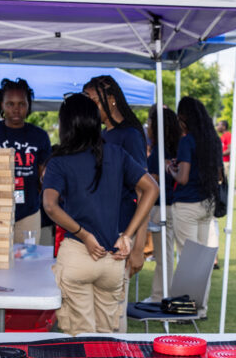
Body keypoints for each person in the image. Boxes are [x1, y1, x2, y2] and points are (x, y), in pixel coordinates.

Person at [42, 94, 158, 336]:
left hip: (79, 254)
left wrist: (83, 234)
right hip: (112, 258)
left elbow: (50, 206)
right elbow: (152, 189)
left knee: (80, 339)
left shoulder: (59, 161)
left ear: (66, 124)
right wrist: (127, 235)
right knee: (107, 340)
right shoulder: (116, 154)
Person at [83, 75, 150, 330]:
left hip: (120, 236)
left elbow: (144, 192)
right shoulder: (101, 135)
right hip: (98, 236)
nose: (88, 106)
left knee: (113, 318)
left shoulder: (129, 136)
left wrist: (138, 244)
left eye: (91, 100)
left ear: (110, 99)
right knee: (96, 316)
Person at [0, 78, 52, 244]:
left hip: (29, 212)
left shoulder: (39, 136)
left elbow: (44, 175)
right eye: (10, 104)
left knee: (27, 262)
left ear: (28, 105)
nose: (16, 109)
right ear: (1, 105)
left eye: (21, 104)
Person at [169, 96, 223, 318]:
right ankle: (201, 308)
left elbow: (181, 178)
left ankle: (187, 309)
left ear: (184, 117)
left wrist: (170, 169)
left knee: (188, 259)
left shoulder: (187, 141)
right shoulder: (214, 140)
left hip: (187, 205)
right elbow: (219, 174)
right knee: (202, 260)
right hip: (207, 203)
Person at [145, 105, 180, 302]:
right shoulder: (176, 146)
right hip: (174, 205)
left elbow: (154, 182)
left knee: (163, 256)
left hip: (162, 207)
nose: (147, 127)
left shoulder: (159, 150)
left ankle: (160, 296)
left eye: (150, 123)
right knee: (166, 254)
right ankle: (162, 294)